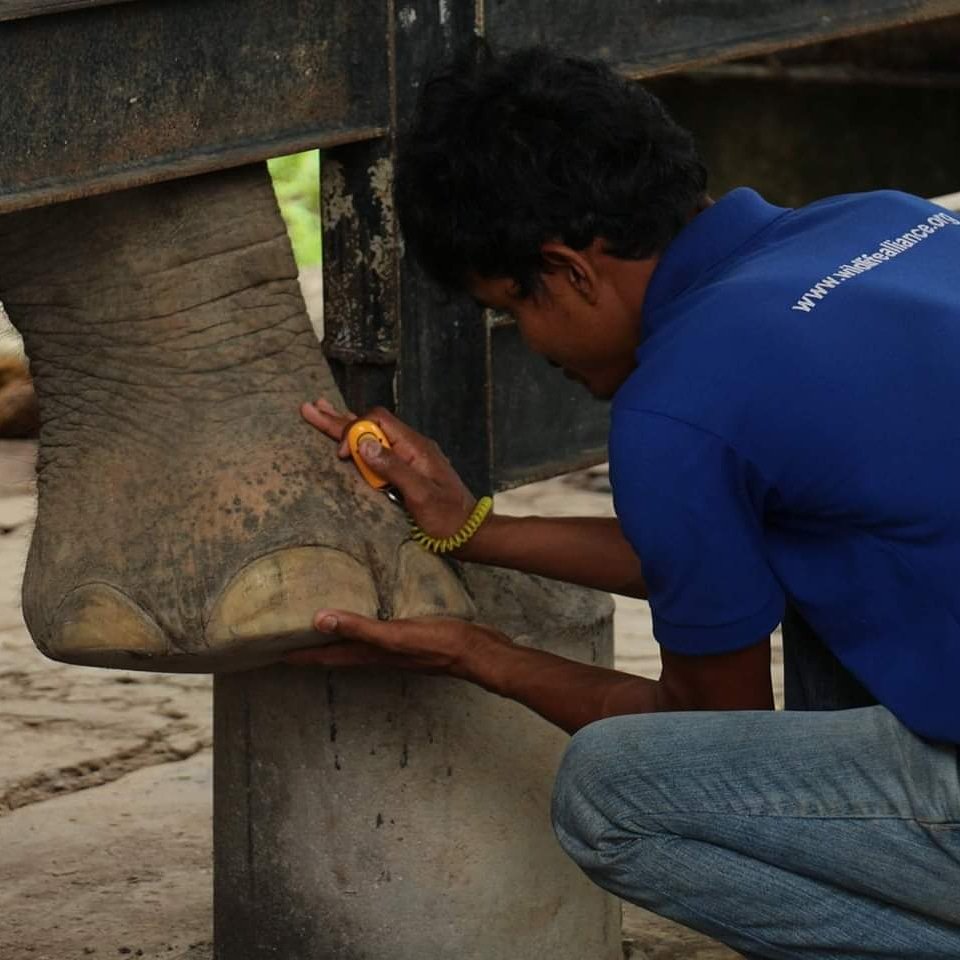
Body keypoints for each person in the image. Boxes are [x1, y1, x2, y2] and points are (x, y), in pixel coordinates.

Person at [290, 46, 960, 959]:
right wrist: (472, 531)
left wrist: (476, 654)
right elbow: (712, 554)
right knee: (817, 560)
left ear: (566, 270)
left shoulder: (679, 399)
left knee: (613, 793)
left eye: (509, 310)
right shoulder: (891, 223)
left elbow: (715, 743)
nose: (530, 345)